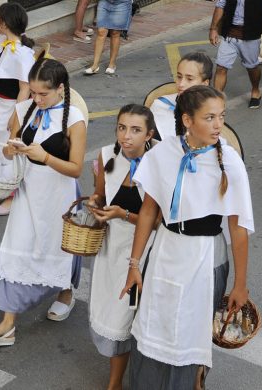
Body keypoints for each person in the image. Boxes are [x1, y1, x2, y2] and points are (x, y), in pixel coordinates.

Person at [121, 85, 254, 389]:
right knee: (155, 323)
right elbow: (148, 212)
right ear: (188, 120)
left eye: (221, 116)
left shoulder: (229, 162)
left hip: (205, 259)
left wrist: (240, 284)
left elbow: (238, 228)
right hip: (166, 251)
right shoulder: (165, 152)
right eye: (210, 117)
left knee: (191, 335)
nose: (218, 124)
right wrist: (134, 264)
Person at [0, 58, 87, 348]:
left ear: (60, 88)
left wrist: (45, 157)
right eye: (33, 93)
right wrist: (12, 150)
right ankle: (7, 325)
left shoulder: (74, 117)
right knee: (17, 251)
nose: (36, 99)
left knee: (58, 248)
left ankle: (65, 293)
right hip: (26, 193)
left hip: (58, 195)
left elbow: (76, 168)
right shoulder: (23, 109)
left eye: (43, 94)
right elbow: (11, 149)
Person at [88, 104, 155, 390]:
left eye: (136, 130)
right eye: (122, 128)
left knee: (129, 315)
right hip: (110, 249)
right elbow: (101, 194)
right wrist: (95, 204)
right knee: (113, 314)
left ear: (149, 134)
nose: (126, 136)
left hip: (143, 252)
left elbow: (158, 222)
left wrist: (122, 215)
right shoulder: (106, 156)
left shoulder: (158, 166)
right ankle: (115, 383)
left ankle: (121, 382)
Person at [0, 2, 35, 216]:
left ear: (4, 23)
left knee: (10, 149)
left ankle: (13, 196)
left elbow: (25, 87)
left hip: (12, 105)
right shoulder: (3, 44)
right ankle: (2, 187)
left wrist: (16, 116)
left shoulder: (23, 53)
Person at [209, 0, 262, 109]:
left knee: (252, 67)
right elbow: (220, 5)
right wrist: (213, 29)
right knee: (221, 67)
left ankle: (255, 90)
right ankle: (217, 100)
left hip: (251, 37)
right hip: (229, 35)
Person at [150, 52, 213, 140]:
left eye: (189, 79)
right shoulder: (160, 106)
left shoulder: (213, 113)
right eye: (179, 77)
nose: (181, 84)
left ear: (205, 83)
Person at [84, 0, 133, 75]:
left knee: (115, 32)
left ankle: (112, 64)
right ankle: (95, 65)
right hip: (104, 1)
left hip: (122, 3)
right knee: (101, 31)